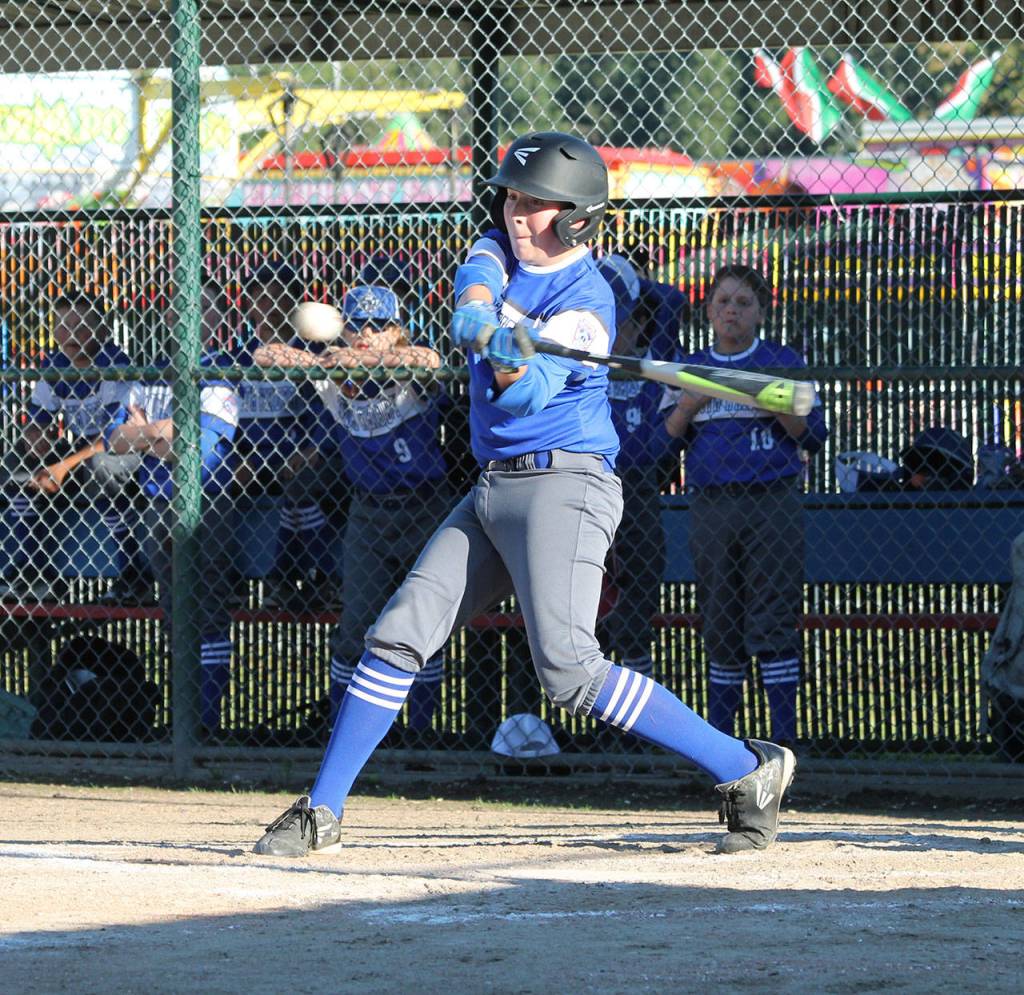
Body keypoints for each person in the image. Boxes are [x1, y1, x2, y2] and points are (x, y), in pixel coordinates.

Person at [251, 131, 796, 859]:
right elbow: (479, 266)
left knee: (569, 669)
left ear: (575, 217)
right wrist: (479, 308)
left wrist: (505, 353)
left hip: (565, 486)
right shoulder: (504, 247)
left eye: (533, 203)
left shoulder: (587, 308)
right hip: (493, 487)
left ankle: (746, 767)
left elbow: (522, 399)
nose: (515, 212)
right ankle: (322, 808)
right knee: (399, 632)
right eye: (511, 197)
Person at [253, 284, 451, 737]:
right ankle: (342, 734)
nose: (366, 334)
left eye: (378, 326)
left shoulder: (407, 366)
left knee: (424, 629)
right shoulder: (333, 369)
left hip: (425, 510)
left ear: (396, 330)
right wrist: (325, 362)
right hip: (368, 514)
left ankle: (422, 737)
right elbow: (266, 354)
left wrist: (373, 359)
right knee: (355, 627)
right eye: (357, 326)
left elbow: (431, 360)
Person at [663, 264, 829, 746]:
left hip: (772, 502)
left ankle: (783, 742)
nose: (732, 311)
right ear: (709, 311)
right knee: (720, 618)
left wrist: (778, 405)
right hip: (712, 505)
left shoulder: (781, 361)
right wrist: (688, 405)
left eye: (743, 303)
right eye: (723, 302)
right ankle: (723, 744)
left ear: (760, 312)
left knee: (773, 617)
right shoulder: (691, 366)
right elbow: (660, 450)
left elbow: (815, 437)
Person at [107, 282, 240, 734]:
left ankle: (206, 725)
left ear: (216, 320)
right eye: (179, 309)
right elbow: (116, 440)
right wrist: (158, 432)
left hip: (207, 504)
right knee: (174, 614)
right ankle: (183, 723)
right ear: (167, 318)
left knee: (208, 614)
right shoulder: (150, 374)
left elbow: (194, 450)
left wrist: (148, 434)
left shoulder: (221, 372)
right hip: (156, 503)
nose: (187, 317)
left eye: (201, 309)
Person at [0, 294, 142, 603]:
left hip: (120, 450)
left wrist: (63, 466)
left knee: (102, 466)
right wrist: (35, 436)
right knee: (16, 464)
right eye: (63, 326)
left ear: (102, 330)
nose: (71, 334)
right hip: (78, 450)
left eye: (81, 326)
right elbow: (38, 418)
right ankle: (32, 570)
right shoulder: (56, 364)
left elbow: (115, 436)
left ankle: (133, 572)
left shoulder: (113, 363)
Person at [594, 253, 687, 682]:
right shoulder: (586, 363)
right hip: (592, 482)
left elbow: (673, 300)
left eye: (624, 321)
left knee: (643, 577)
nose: (616, 332)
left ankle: (634, 667)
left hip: (638, 486)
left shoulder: (655, 360)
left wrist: (632, 284)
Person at [225, 263, 337, 610]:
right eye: (261, 297)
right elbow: (226, 416)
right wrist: (236, 456)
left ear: (294, 306)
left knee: (302, 485)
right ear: (249, 306)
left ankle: (307, 577)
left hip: (297, 453)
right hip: (251, 457)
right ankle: (230, 579)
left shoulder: (313, 355)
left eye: (279, 297)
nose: (269, 305)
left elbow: (331, 409)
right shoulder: (239, 357)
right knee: (213, 480)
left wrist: (314, 447)